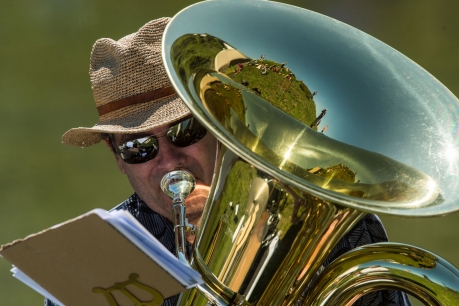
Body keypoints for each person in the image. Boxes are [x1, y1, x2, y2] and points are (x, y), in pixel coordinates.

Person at [49, 18, 411, 306]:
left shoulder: (330, 229)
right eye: (138, 147)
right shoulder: (88, 260)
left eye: (184, 131)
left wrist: (249, 242)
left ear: (218, 127)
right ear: (118, 159)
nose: (169, 160)